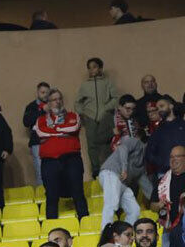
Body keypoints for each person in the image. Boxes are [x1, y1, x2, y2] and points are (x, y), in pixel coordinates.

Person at [35, 88, 90, 220]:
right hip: (50, 162)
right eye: (54, 100)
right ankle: (52, 229)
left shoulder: (73, 116)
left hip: (72, 160)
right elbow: (41, 132)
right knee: (51, 195)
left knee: (78, 192)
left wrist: (54, 130)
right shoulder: (41, 120)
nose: (58, 102)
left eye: (60, 99)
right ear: (48, 103)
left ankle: (85, 222)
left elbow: (74, 127)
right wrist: (63, 133)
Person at [77, 58, 120, 172]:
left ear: (100, 68)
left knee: (107, 143)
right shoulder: (85, 85)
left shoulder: (107, 83)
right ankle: (96, 171)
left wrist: (105, 109)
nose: (92, 70)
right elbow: (78, 102)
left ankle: (110, 169)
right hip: (90, 118)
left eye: (95, 66)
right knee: (91, 144)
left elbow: (115, 98)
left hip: (106, 117)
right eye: (89, 68)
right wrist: (83, 113)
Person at [24, 82, 52, 184]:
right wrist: (41, 110)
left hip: (52, 141)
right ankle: (42, 198)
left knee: (54, 172)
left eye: (47, 92)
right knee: (40, 172)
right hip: (37, 143)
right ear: (38, 92)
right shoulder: (31, 106)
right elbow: (26, 122)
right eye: (42, 92)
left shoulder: (53, 104)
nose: (45, 95)